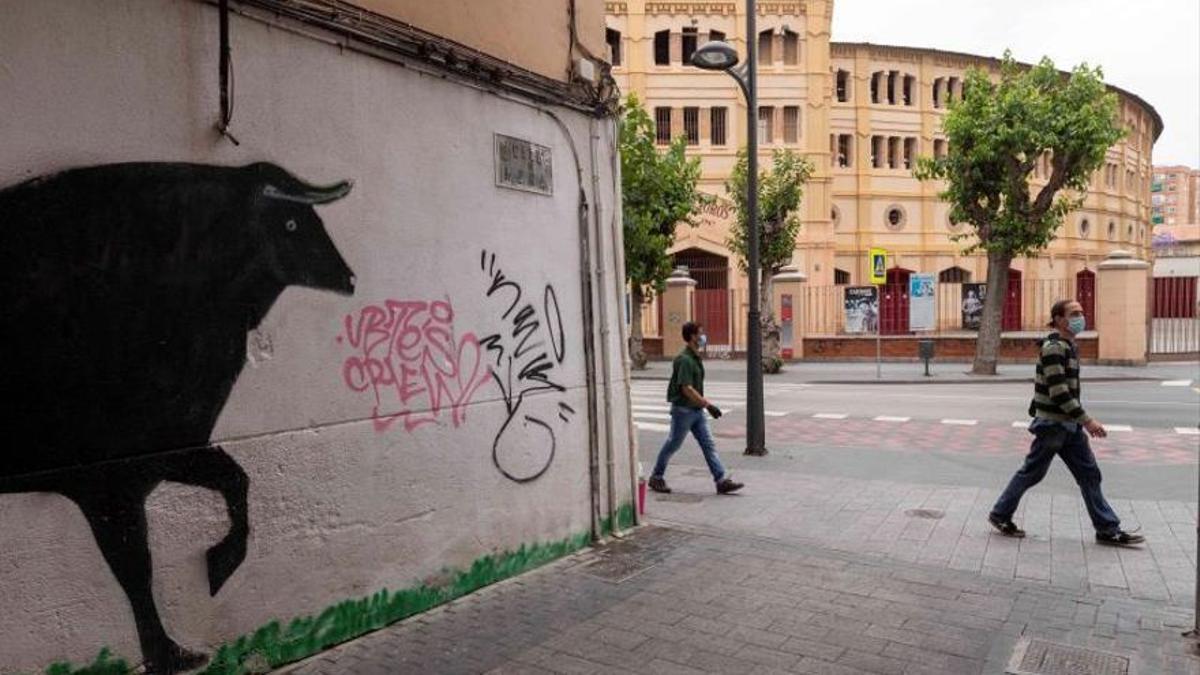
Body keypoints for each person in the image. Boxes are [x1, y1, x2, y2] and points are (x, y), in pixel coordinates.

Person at [988, 299, 1144, 546]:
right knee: (1032, 473)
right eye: (1074, 313)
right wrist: (1088, 421)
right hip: (1053, 426)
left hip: (1068, 426)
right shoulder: (1054, 348)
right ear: (1059, 319)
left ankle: (1107, 528)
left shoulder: (1069, 346)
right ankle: (1000, 514)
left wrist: (1078, 421)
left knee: (1089, 475)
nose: (1080, 317)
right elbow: (1059, 392)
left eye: (1081, 312)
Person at [648, 321, 744, 495]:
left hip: (696, 411)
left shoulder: (694, 357)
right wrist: (708, 405)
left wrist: (703, 406)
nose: (703, 336)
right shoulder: (684, 359)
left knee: (709, 445)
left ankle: (721, 480)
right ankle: (656, 477)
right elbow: (686, 388)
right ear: (693, 336)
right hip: (684, 411)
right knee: (673, 444)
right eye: (701, 332)